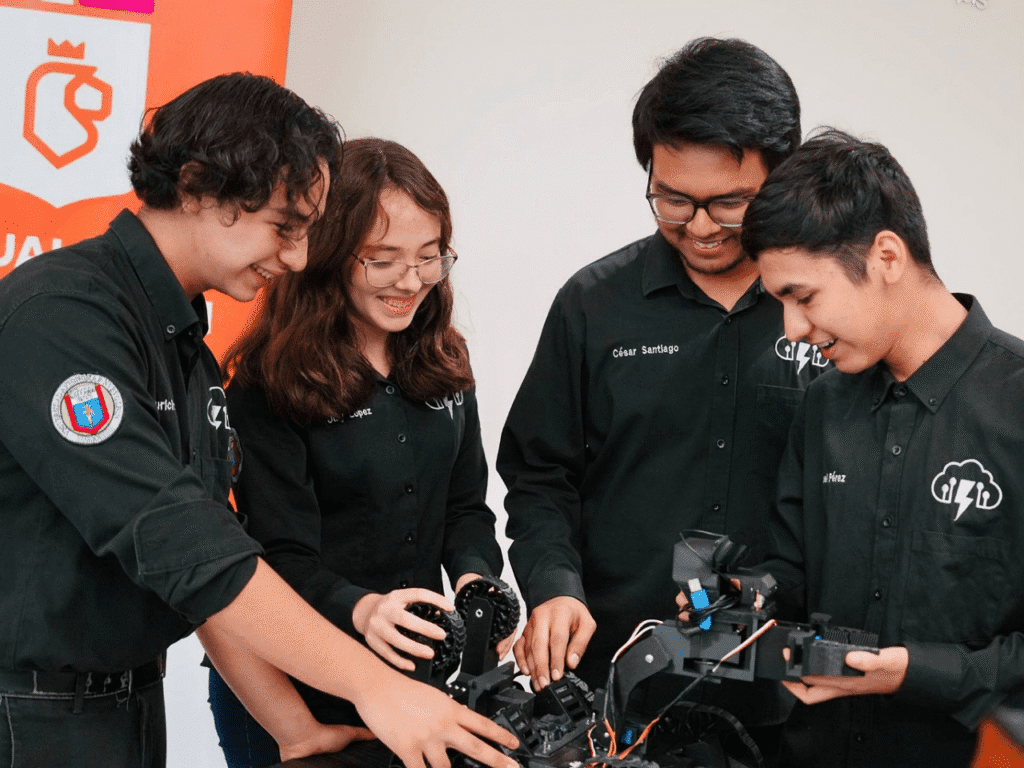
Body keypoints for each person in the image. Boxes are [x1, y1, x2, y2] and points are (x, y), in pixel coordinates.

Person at [0, 73, 519, 768]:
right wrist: (373, 685)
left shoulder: (186, 351)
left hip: (127, 700)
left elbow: (207, 567)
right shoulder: (64, 316)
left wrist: (294, 728)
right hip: (27, 709)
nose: (302, 258)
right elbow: (179, 543)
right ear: (194, 186)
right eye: (285, 226)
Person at [496, 37, 828, 760]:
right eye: (673, 198)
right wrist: (554, 587)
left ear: (781, 178)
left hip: (790, 703)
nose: (700, 226)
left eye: (729, 203)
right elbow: (541, 476)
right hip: (617, 692)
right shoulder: (594, 305)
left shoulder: (830, 312)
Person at [206, 137, 512, 767]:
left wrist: (479, 578)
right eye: (383, 260)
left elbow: (464, 508)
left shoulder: (444, 358)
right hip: (295, 684)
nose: (412, 281)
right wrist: (364, 609)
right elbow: (273, 557)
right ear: (329, 255)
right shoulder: (269, 382)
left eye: (431, 258)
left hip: (415, 680)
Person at [731, 128, 1024, 766]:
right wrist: (742, 596)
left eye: (803, 297)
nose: (793, 329)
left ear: (887, 257)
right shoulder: (822, 405)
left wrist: (917, 672)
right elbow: (792, 571)